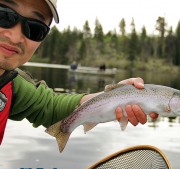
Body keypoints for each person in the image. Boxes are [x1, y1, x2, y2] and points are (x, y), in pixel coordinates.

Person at [0, 0, 158, 146]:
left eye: (35, 28)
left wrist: (116, 96)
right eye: (4, 14)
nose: (15, 37)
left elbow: (49, 107)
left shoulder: (11, 84)